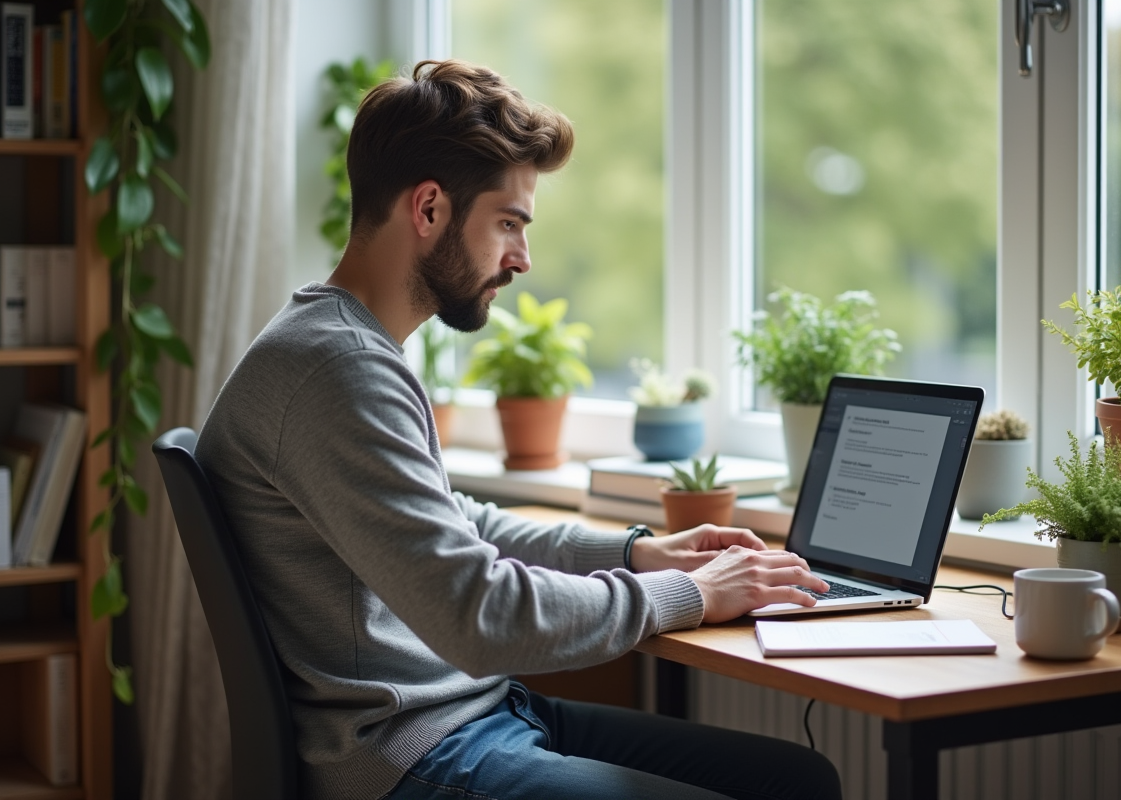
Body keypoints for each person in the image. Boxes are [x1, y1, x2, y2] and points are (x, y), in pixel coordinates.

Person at [196, 59, 842, 800]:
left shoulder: (342, 346)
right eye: (508, 223)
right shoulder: (335, 367)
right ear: (429, 208)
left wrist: (637, 552)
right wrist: (688, 593)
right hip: (409, 752)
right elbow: (480, 615)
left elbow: (456, 523)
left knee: (798, 780)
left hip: (471, 712)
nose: (522, 259)